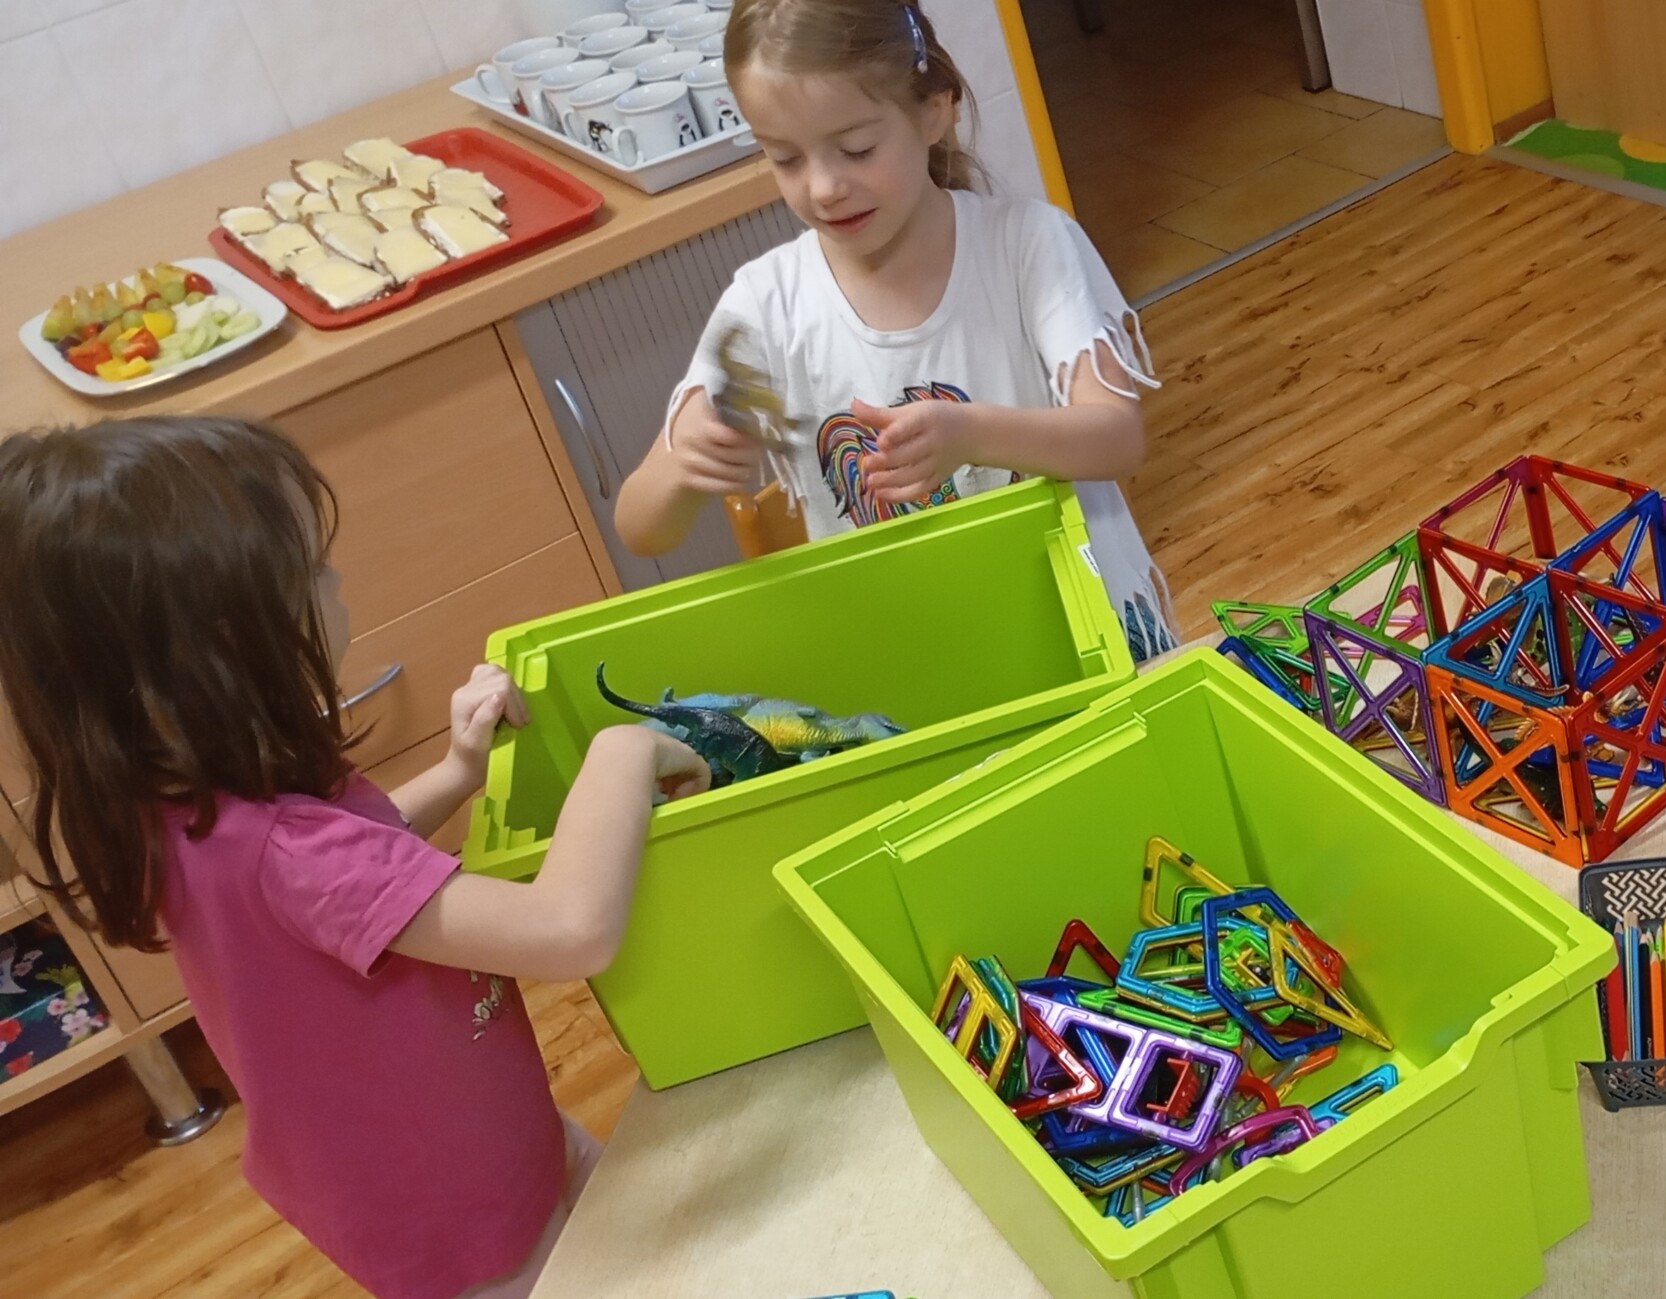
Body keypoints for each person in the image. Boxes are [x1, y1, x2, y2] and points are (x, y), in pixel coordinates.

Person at [0, 418, 709, 1299]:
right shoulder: (286, 849)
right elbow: (569, 929)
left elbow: (350, 882)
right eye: (311, 572)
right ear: (224, 647)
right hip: (468, 1216)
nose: (335, 583)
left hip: (453, 1147)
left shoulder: (178, 796)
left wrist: (458, 773)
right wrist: (621, 753)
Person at [612, 0, 1180, 662]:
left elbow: (1117, 439)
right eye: (785, 158)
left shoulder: (1029, 245)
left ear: (934, 111)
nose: (823, 187)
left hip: (1095, 642)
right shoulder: (765, 306)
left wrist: (971, 434)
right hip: (916, 665)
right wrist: (684, 470)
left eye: (856, 149)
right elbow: (640, 528)